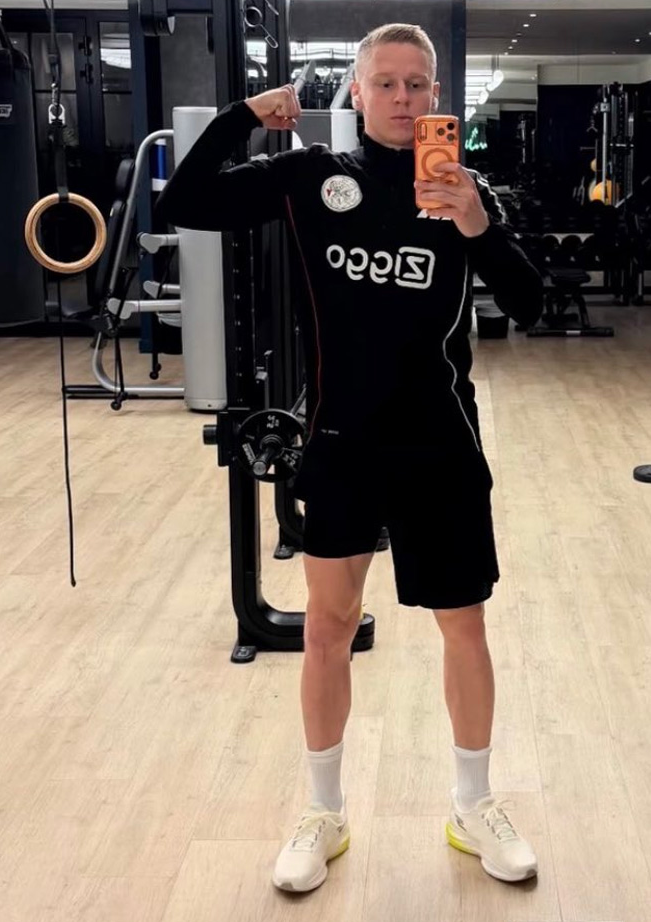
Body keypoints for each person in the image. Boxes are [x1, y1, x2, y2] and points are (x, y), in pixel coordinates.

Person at [155, 22, 543, 893]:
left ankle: (473, 804)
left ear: (437, 95)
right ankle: (323, 811)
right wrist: (240, 117)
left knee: (465, 626)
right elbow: (186, 201)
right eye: (388, 83)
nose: (404, 98)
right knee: (328, 628)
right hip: (341, 442)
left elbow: (530, 304)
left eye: (419, 84)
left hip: (441, 442)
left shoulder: (464, 189)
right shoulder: (310, 177)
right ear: (357, 93)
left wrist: (478, 224)